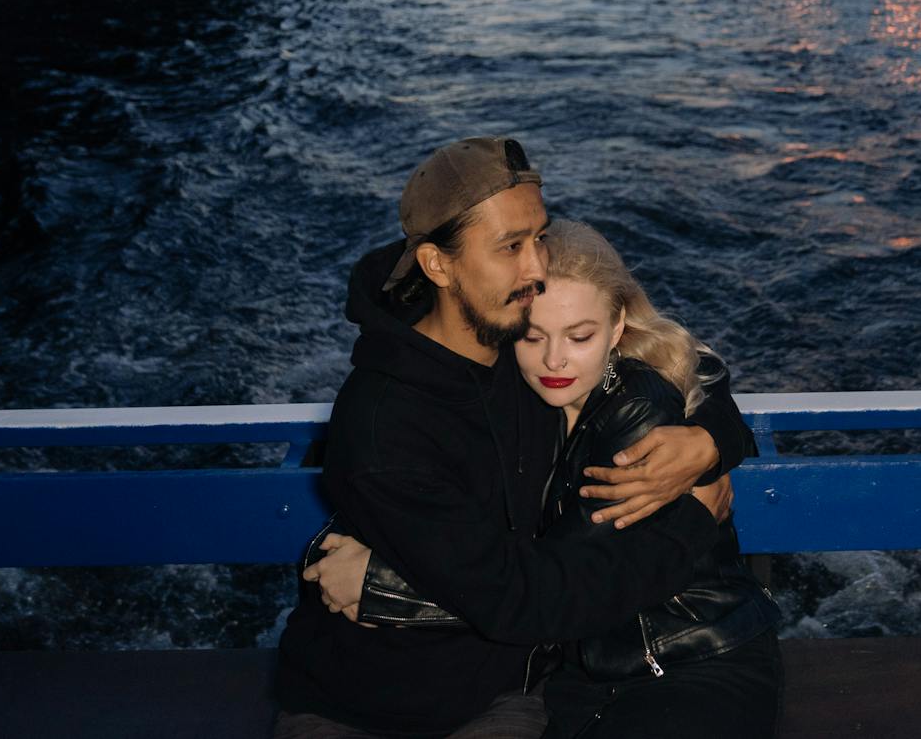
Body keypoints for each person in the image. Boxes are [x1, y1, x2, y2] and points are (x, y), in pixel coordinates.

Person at [274, 137, 754, 738]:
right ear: (437, 265)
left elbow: (672, 365)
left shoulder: (521, 349)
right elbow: (523, 600)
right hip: (358, 705)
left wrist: (713, 438)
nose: (536, 268)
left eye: (538, 237)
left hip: (504, 690)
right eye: (510, 247)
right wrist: (691, 523)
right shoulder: (384, 427)